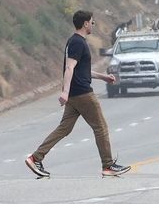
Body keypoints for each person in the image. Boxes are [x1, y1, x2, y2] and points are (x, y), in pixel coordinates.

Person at [25, 10, 130, 177]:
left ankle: (35, 157)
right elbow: (70, 67)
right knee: (100, 127)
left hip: (75, 95)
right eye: (92, 22)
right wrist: (64, 92)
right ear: (85, 24)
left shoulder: (75, 42)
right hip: (82, 93)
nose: (93, 25)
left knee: (64, 129)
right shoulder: (77, 42)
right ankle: (108, 165)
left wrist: (103, 77)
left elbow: (82, 70)